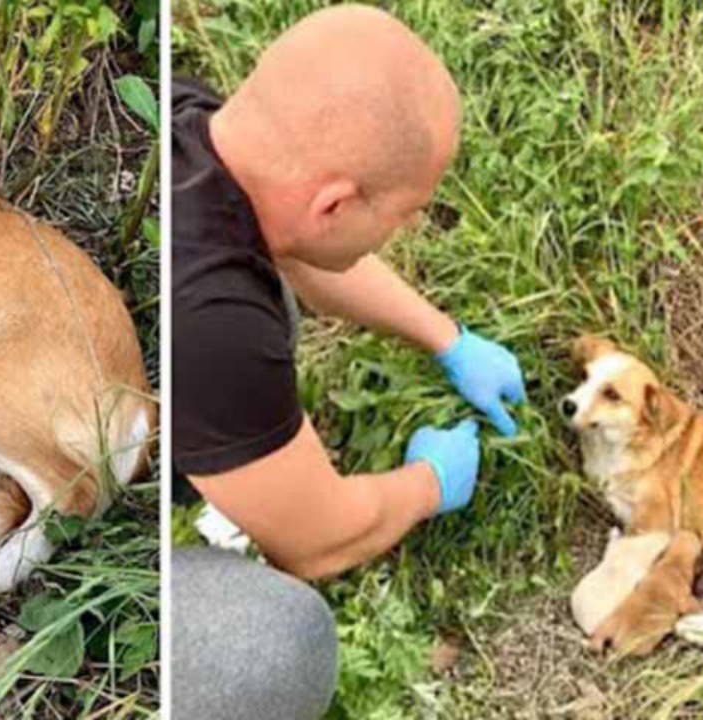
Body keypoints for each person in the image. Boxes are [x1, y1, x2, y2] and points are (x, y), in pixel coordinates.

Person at [171, 5, 527, 718]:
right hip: (173, 382)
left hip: (193, 357)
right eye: (408, 212)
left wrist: (445, 337)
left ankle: (225, 466)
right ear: (335, 204)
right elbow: (320, 542)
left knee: (270, 295)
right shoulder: (216, 326)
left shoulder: (194, 121)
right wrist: (431, 481)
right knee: (276, 645)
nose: (413, 228)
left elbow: (301, 248)